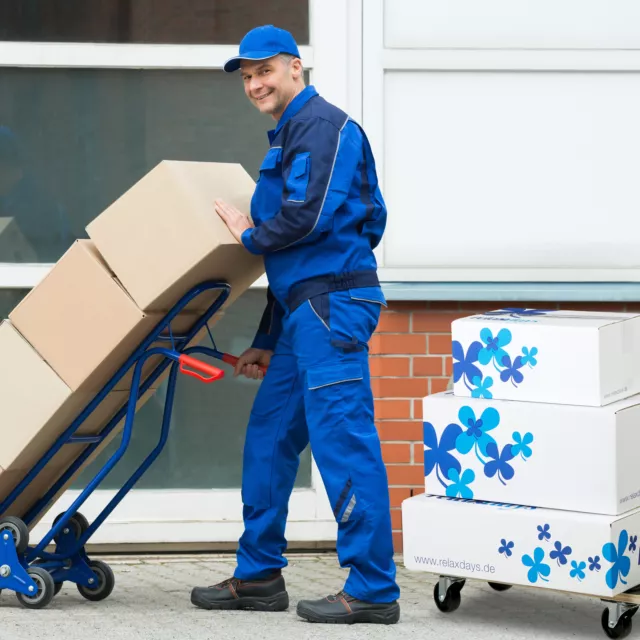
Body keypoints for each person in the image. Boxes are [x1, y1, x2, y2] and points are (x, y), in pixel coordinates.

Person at [190, 25, 400, 625]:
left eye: (265, 71)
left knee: (343, 444)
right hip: (301, 312)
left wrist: (249, 234)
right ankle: (258, 575)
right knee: (268, 438)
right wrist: (264, 338)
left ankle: (373, 589)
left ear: (294, 68)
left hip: (332, 309)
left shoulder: (325, 127)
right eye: (247, 76)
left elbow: (306, 222)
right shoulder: (286, 138)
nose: (255, 83)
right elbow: (293, 260)